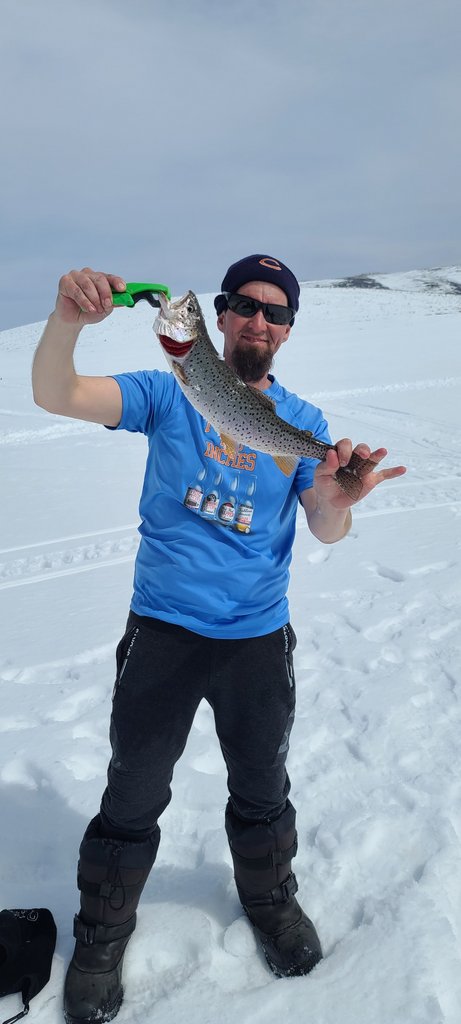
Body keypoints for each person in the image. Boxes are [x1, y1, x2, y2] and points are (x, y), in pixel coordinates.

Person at [32, 255, 406, 1024]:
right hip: (162, 634)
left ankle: (269, 900)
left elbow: (325, 526)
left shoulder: (301, 424)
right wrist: (68, 323)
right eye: (243, 303)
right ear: (222, 317)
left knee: (262, 788)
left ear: (287, 329)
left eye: (275, 311)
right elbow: (55, 392)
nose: (258, 319)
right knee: (133, 792)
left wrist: (337, 499)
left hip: (256, 642)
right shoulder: (166, 390)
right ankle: (102, 933)